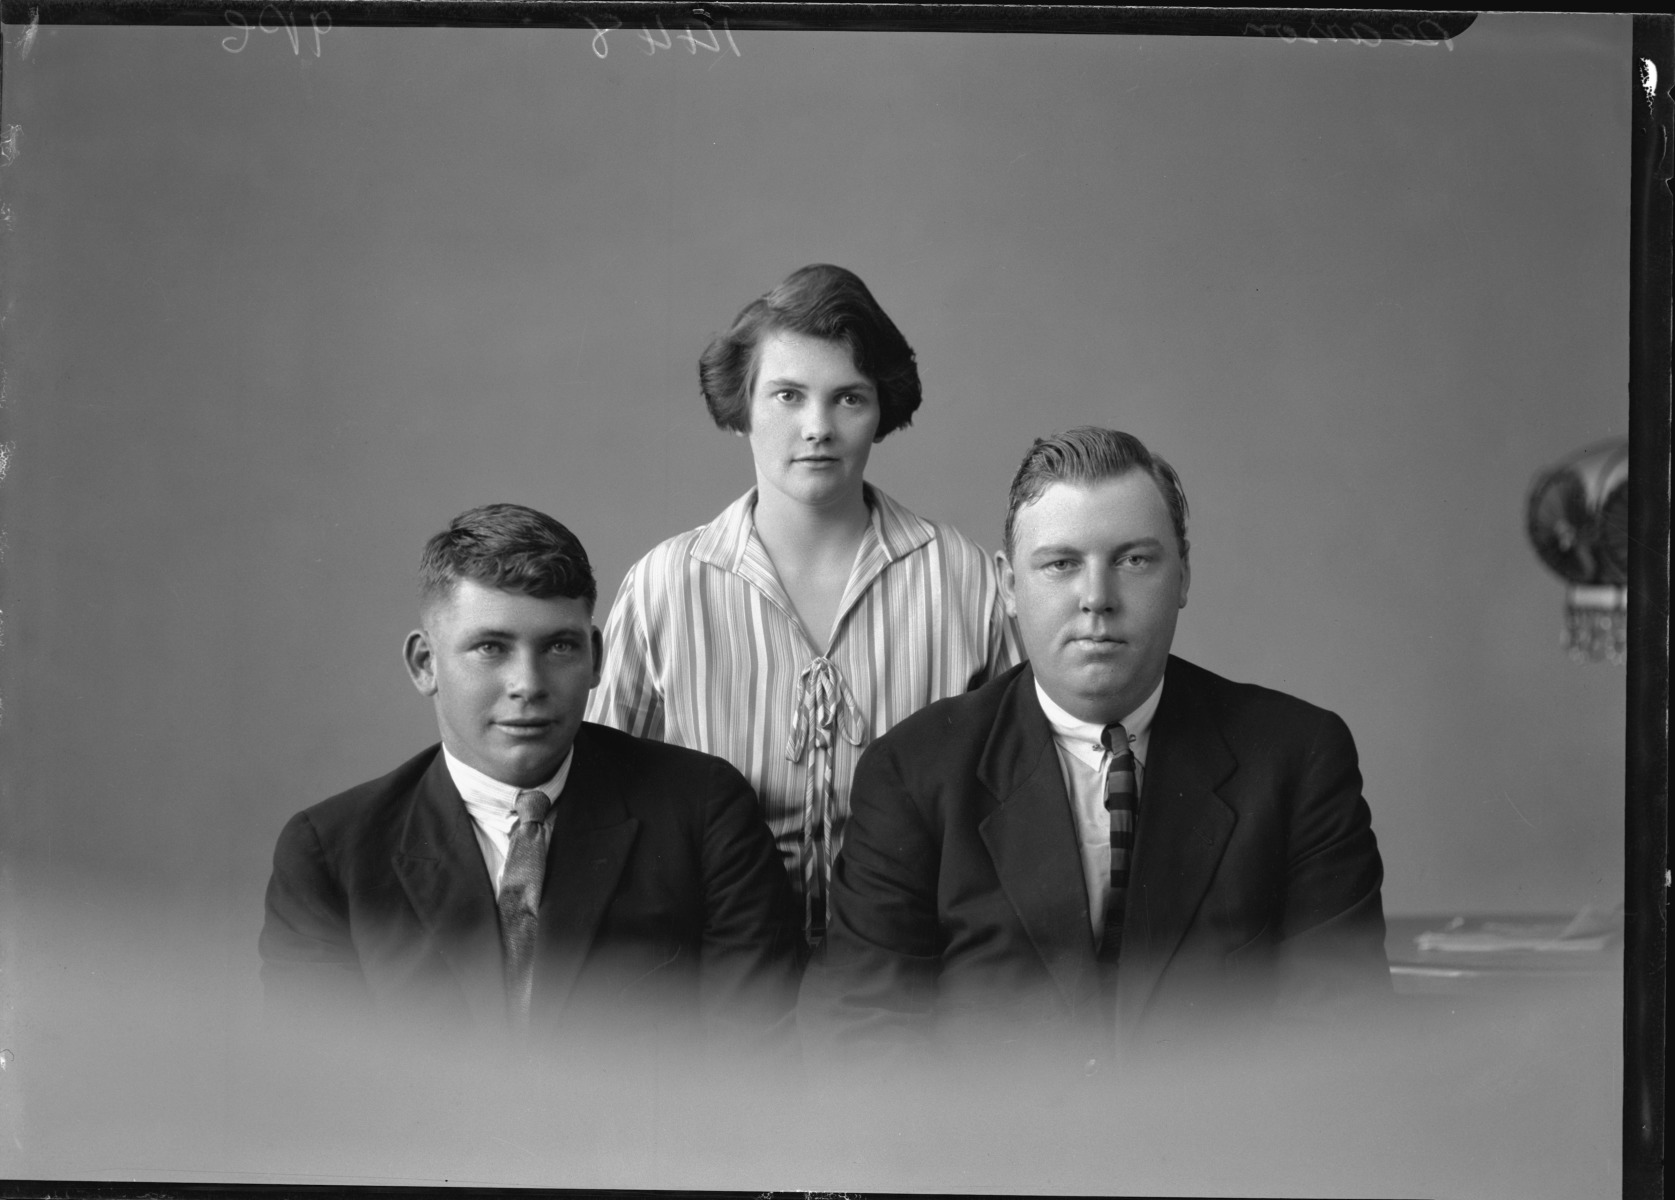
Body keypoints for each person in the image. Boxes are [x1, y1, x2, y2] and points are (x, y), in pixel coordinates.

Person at [802, 427, 1389, 1067]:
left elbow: (1340, 1032)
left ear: (1184, 576)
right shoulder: (913, 772)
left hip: (1219, 1157)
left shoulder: (1298, 758)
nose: (1097, 599)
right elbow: (860, 1040)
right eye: (1060, 564)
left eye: (1134, 560)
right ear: (1006, 586)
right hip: (985, 1161)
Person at [259, 504, 800, 1048]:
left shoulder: (704, 810)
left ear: (595, 658)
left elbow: (753, 1063)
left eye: (559, 647)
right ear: (425, 663)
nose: (528, 684)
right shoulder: (330, 854)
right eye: (490, 648)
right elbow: (319, 1092)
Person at [587, 264, 1018, 948]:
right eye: (787, 395)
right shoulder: (664, 585)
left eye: (848, 398)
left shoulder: (963, 579)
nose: (817, 426)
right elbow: (600, 803)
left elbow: (1015, 799)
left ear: (881, 412)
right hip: (713, 975)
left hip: (911, 971)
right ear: (741, 408)